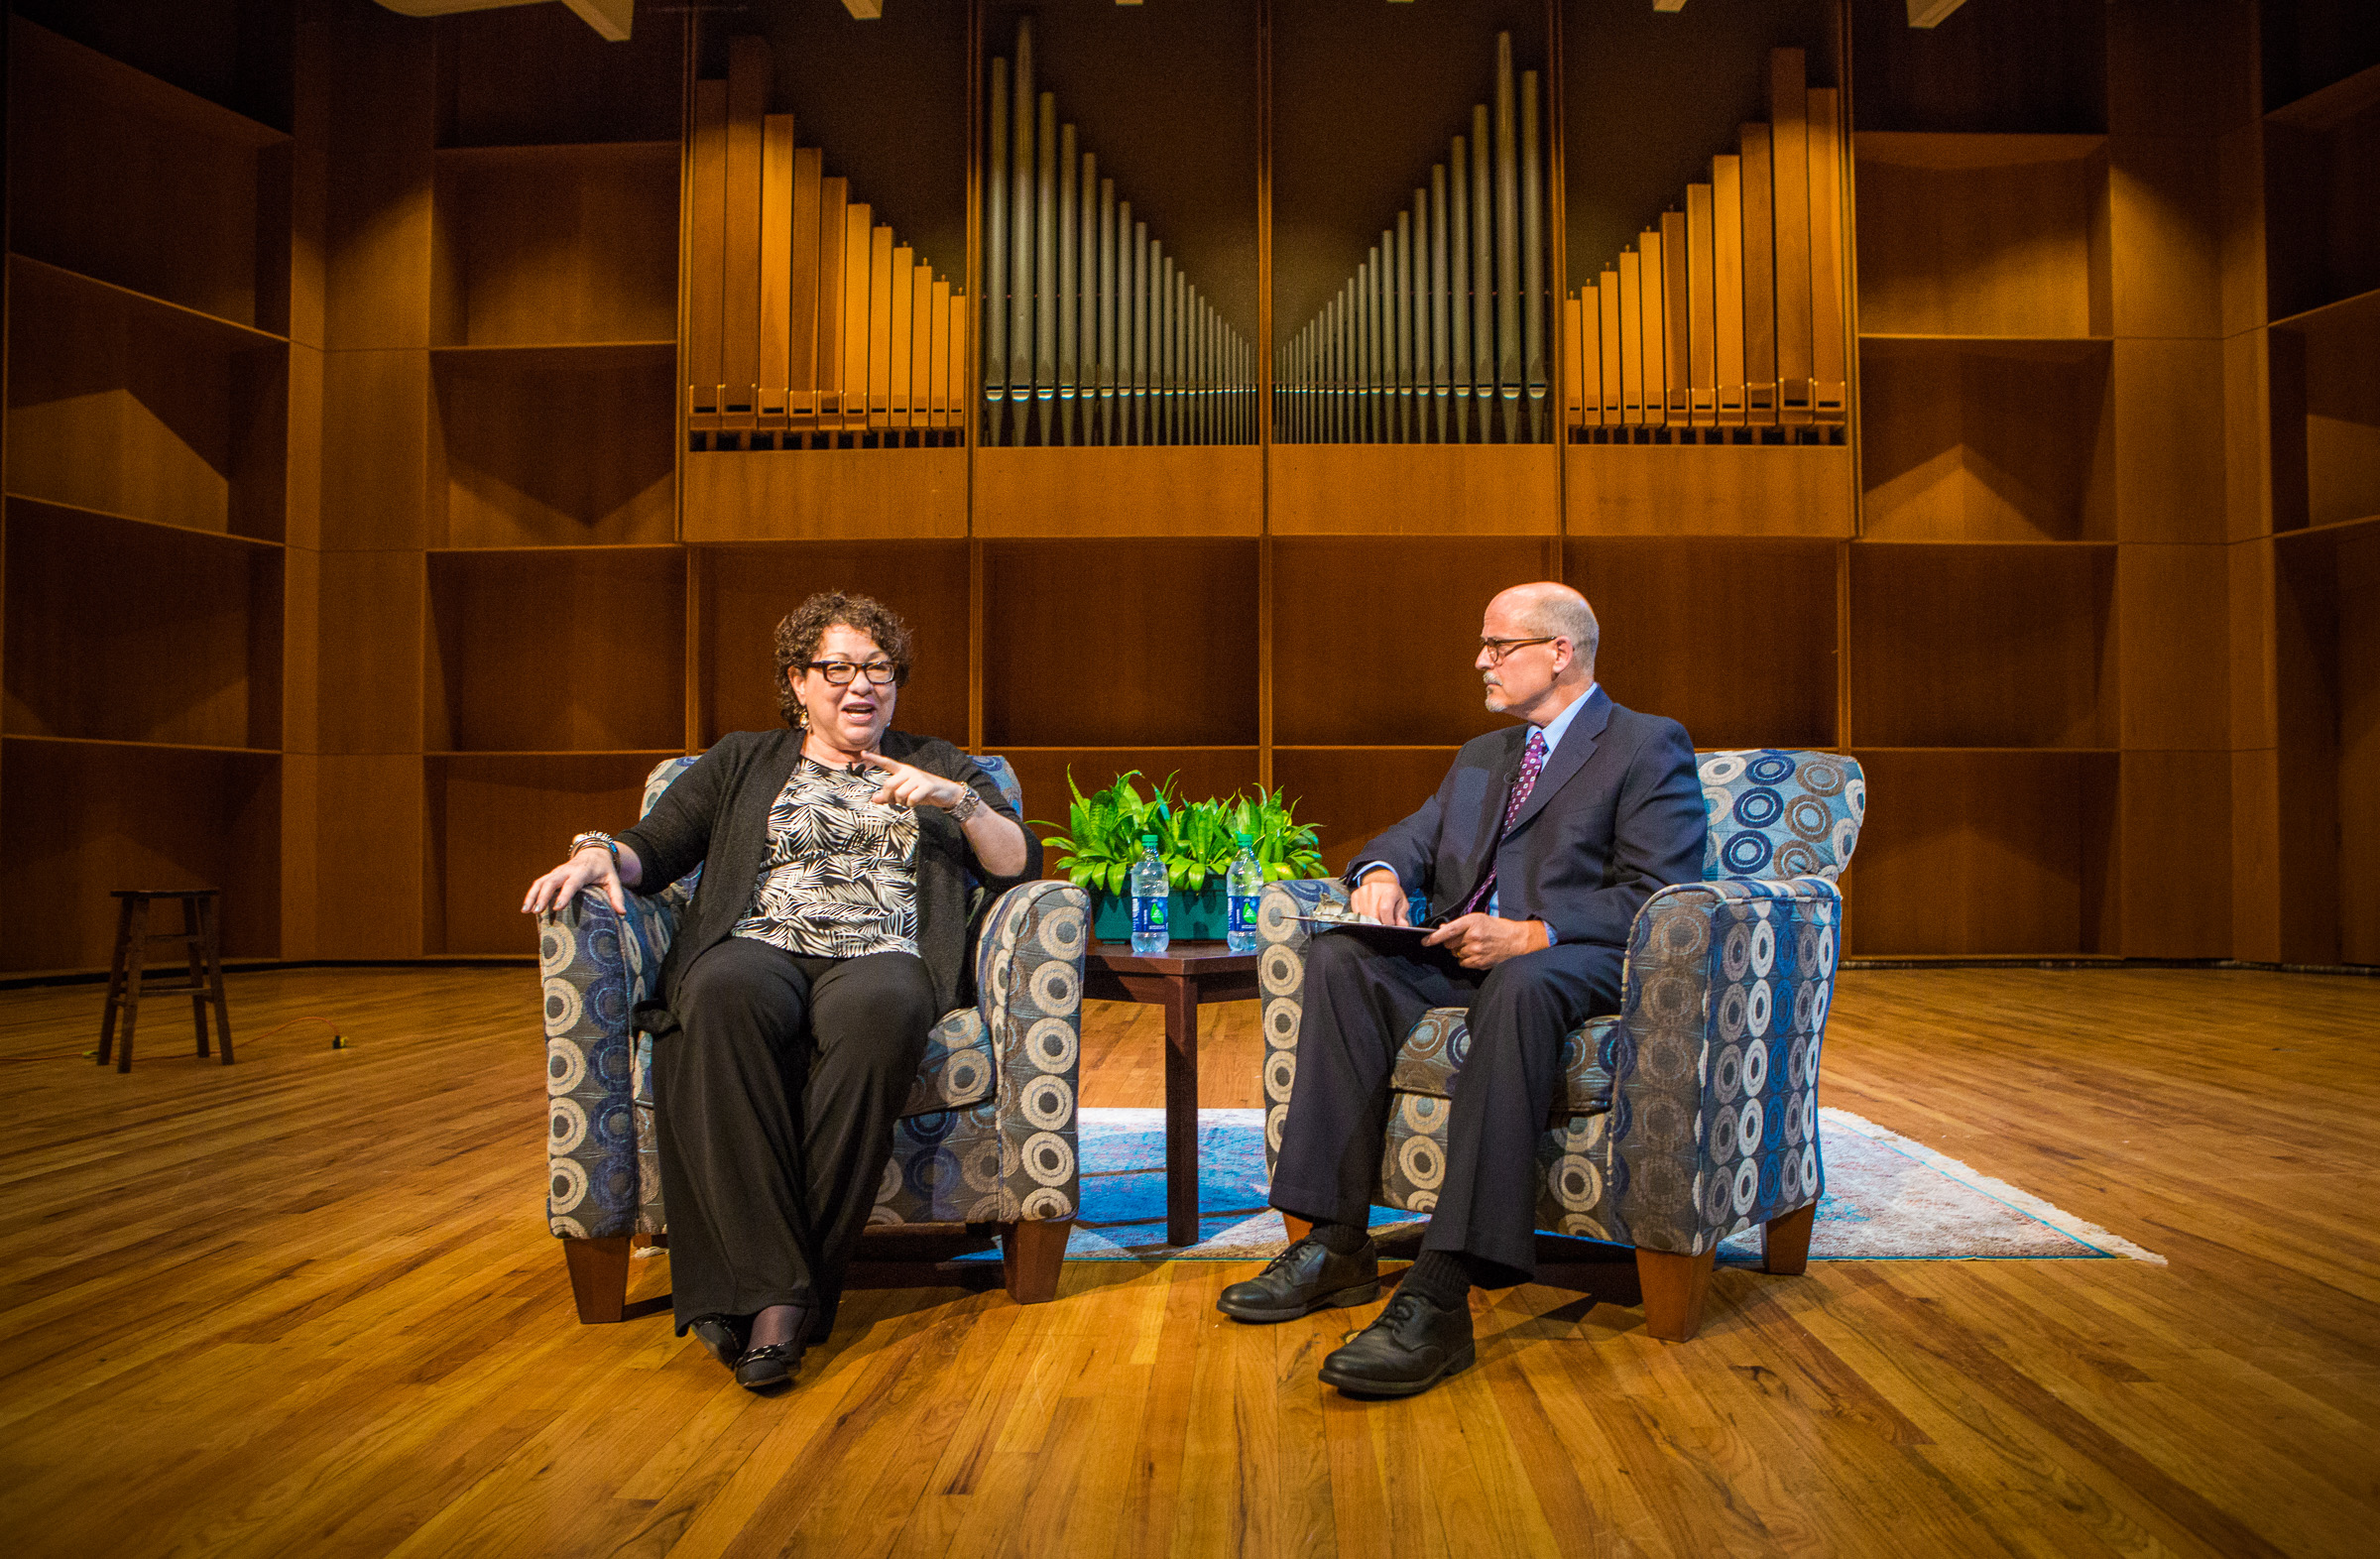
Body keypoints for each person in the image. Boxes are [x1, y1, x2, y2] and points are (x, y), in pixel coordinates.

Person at [522, 592, 1038, 1392]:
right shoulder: (743, 759)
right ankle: (786, 1297)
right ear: (798, 681)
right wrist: (597, 852)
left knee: (884, 1010)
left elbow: (1016, 864)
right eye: (838, 668)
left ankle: (768, 1307)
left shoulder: (938, 760)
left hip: (882, 954)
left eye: (879, 669)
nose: (861, 685)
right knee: (715, 996)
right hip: (757, 945)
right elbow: (654, 849)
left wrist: (956, 799)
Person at [1218, 581, 1707, 1396]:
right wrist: (1379, 874)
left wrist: (1534, 931)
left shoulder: (1645, 744)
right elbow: (1412, 838)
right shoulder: (1485, 754)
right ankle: (1333, 1242)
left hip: (1575, 957)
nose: (1481, 661)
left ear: (1560, 652)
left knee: (1521, 982)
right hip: (1467, 948)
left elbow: (1661, 892)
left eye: (1498, 646)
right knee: (1342, 958)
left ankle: (1442, 1290)